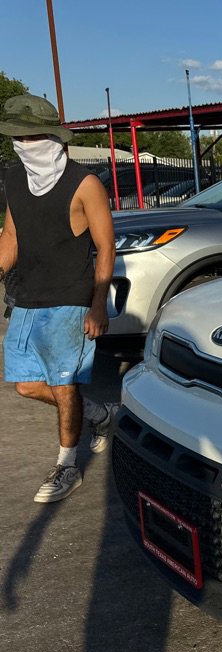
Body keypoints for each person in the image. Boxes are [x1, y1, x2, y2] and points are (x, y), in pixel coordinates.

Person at [0, 94, 118, 503]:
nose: (23, 143)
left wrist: (98, 303)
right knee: (27, 386)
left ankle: (68, 464)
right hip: (26, 296)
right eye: (17, 136)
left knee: (63, 384)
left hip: (71, 297)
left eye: (31, 135)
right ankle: (100, 414)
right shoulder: (14, 180)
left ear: (52, 137)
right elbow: (12, 236)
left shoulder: (84, 184)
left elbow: (106, 247)